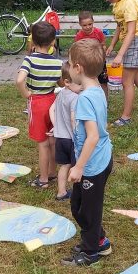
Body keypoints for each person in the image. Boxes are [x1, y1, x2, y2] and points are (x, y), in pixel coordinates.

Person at [61, 39, 113, 267]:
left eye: (70, 63)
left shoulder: (84, 100)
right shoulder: (97, 90)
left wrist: (79, 167)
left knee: (87, 210)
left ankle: (92, 251)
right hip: (100, 158)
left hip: (92, 165)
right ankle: (98, 239)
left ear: (78, 68)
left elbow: (92, 136)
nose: (68, 66)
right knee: (79, 205)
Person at [16, 20, 63, 188]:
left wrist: (26, 93)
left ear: (33, 41)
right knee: (52, 139)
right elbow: (62, 84)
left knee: (42, 143)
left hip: (37, 103)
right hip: (52, 102)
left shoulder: (29, 60)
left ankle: (43, 179)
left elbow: (20, 79)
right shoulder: (57, 63)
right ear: (52, 41)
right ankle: (52, 172)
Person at [50, 62, 81, 201]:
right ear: (67, 82)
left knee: (64, 166)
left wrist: (56, 125)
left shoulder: (61, 93)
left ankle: (61, 192)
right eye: (79, 84)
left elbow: (52, 109)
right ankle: (78, 193)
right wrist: (78, 134)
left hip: (59, 138)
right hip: (71, 139)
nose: (82, 87)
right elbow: (74, 119)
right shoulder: (75, 98)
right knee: (76, 166)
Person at [74, 11, 109, 99]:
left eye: (90, 24)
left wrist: (102, 55)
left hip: (99, 61)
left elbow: (103, 44)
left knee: (103, 82)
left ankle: (105, 100)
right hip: (86, 63)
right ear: (80, 24)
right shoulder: (79, 36)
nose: (88, 27)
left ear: (93, 22)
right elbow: (77, 49)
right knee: (86, 81)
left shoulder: (98, 32)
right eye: (84, 25)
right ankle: (88, 98)